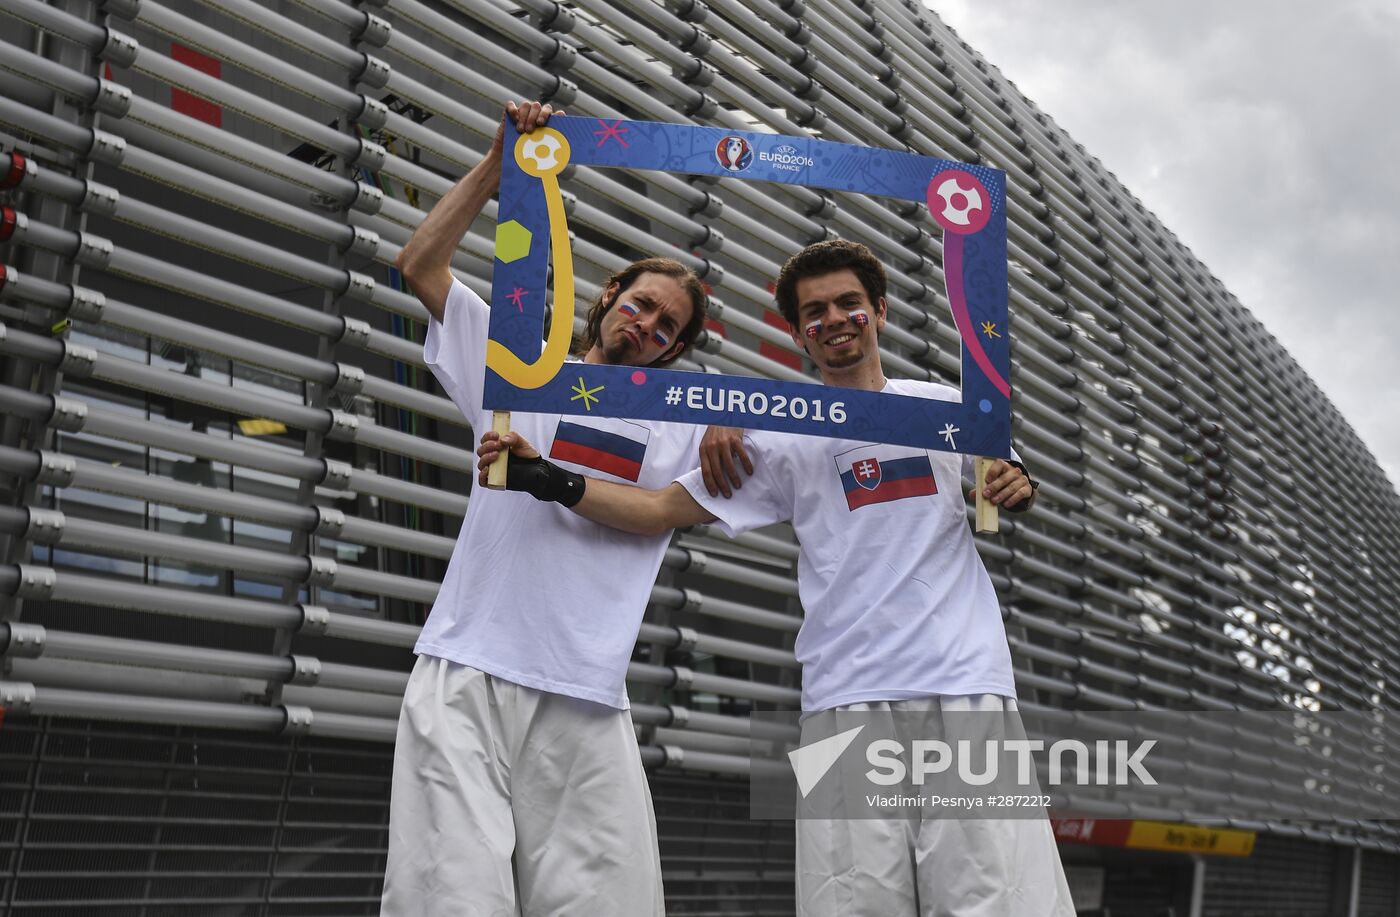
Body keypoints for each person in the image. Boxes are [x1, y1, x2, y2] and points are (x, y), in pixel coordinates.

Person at [478, 239, 1075, 916]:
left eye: (849, 303)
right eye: (815, 311)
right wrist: (547, 478)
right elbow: (657, 510)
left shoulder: (945, 409)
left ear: (879, 311)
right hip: (841, 700)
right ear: (797, 332)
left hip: (964, 688)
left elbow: (1009, 479)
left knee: (998, 901)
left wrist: (1016, 484)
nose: (835, 319)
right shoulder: (782, 434)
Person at [381, 100, 746, 916]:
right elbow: (421, 264)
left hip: (585, 692)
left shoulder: (679, 421)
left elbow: (667, 507)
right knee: (446, 900)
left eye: (668, 327)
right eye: (641, 304)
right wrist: (499, 162)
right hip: (466, 669)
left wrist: (733, 412)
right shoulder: (519, 365)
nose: (647, 326)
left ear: (677, 351)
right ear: (610, 294)